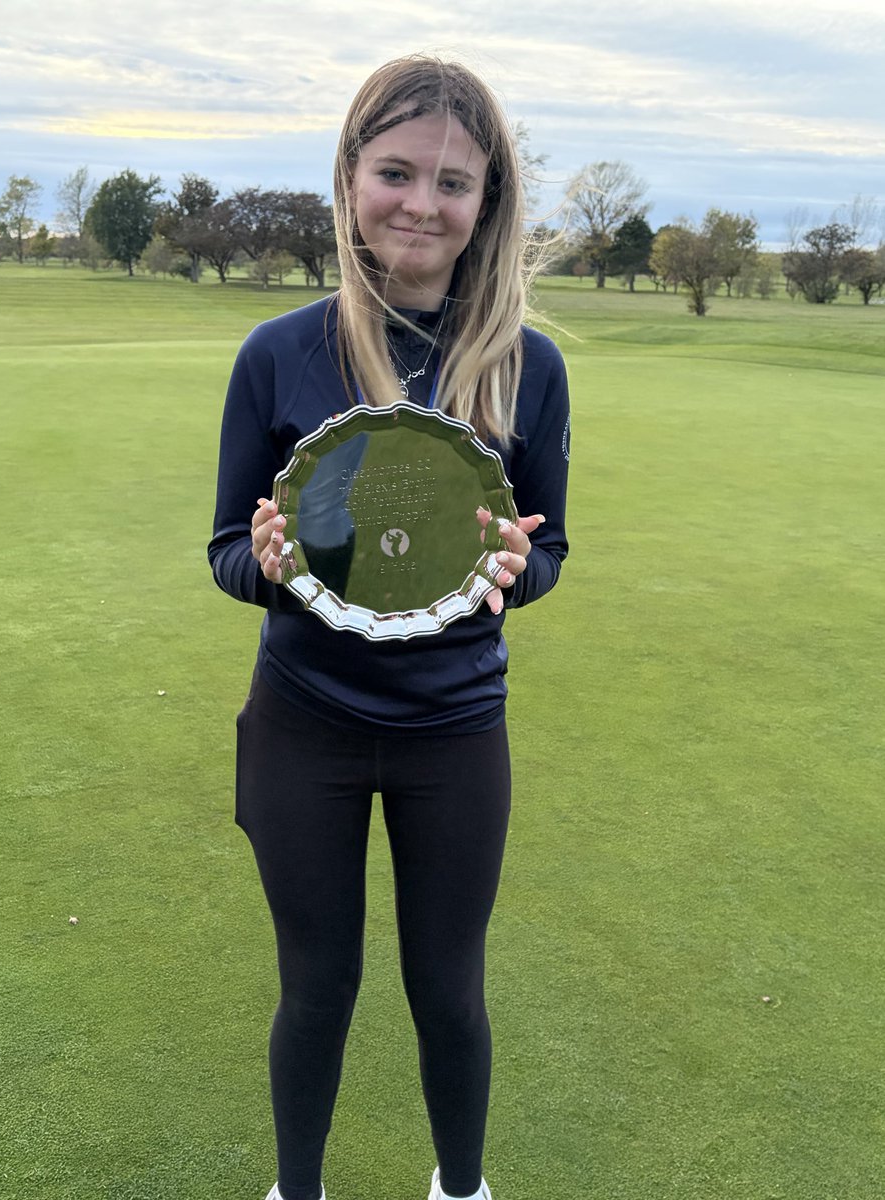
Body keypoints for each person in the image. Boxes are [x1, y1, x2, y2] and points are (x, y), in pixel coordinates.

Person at [208, 54, 570, 1200]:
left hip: (455, 733)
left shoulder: (526, 365)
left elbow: (547, 548)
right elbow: (225, 548)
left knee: (448, 992)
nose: (421, 203)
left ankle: (460, 1188)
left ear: (488, 204)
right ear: (351, 179)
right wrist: (265, 566)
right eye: (397, 171)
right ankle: (296, 1192)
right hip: (302, 725)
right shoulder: (278, 353)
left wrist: (520, 567)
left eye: (453, 182)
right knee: (316, 986)